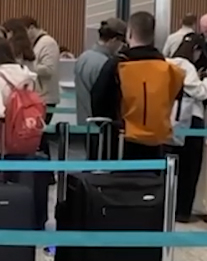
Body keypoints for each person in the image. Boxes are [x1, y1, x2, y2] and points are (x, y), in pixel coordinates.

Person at [91, 12, 184, 160]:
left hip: (121, 142)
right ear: (152, 35)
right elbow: (176, 106)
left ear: (129, 34)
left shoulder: (117, 66)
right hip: (158, 144)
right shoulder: (171, 70)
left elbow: (98, 103)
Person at [166, 33, 207, 223]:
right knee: (189, 169)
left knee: (171, 168)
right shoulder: (186, 65)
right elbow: (200, 92)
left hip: (168, 121)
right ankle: (183, 211)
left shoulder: (166, 62)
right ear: (196, 50)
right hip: (190, 121)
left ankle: (167, 208)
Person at [74, 18, 126, 157]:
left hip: (84, 124)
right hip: (102, 128)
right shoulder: (106, 64)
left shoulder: (83, 57)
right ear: (114, 40)